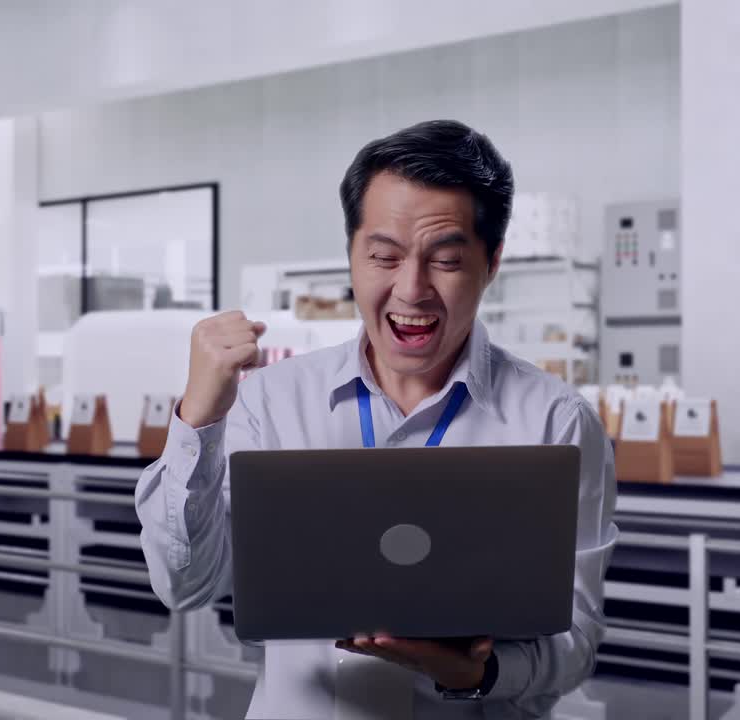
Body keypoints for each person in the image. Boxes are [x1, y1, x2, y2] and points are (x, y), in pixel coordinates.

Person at [135, 119, 618, 719]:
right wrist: (198, 418)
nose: (411, 290)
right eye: (384, 257)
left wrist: (478, 673)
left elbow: (574, 640)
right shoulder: (272, 402)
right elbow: (185, 585)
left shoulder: (557, 423)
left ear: (492, 263)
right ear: (352, 256)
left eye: (445, 260)